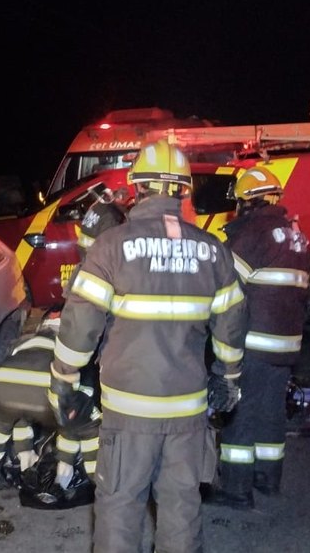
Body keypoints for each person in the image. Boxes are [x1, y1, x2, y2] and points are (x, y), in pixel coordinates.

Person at [51, 139, 248, 552]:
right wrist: (227, 379)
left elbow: (79, 326)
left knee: (120, 509)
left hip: (128, 412)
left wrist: (63, 380)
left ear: (136, 187)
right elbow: (232, 324)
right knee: (180, 508)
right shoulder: (213, 251)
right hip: (188, 411)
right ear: (183, 191)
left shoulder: (110, 247)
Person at [207, 165, 310, 510]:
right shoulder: (296, 236)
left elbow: (224, 284)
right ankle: (268, 478)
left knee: (240, 412)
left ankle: (237, 490)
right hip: (286, 343)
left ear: (247, 202)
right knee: (270, 412)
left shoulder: (253, 232)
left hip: (254, 341)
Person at [0, 312, 101, 499]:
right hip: (47, 389)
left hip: (3, 385)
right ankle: (103, 484)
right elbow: (70, 422)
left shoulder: (25, 341)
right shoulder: (73, 351)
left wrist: (24, 452)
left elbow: (22, 413)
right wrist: (66, 461)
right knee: (87, 425)